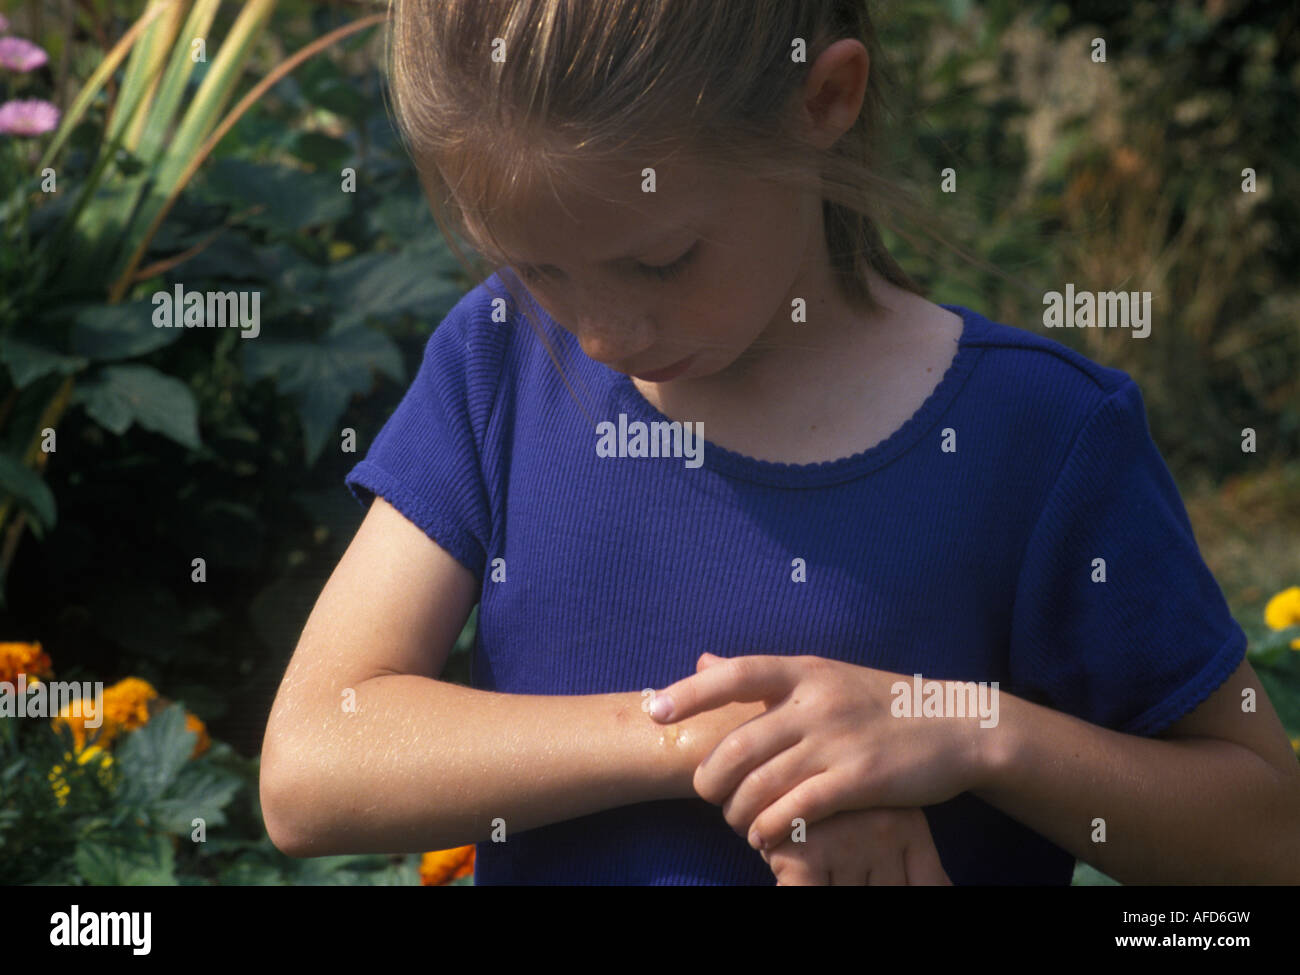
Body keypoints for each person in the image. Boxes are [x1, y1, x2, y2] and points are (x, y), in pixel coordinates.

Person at [259, 0, 1300, 885]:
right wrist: (724, 743)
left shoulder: (1040, 435)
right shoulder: (499, 361)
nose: (605, 337)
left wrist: (975, 732)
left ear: (824, 103)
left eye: (662, 261)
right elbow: (313, 766)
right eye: (539, 270)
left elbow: (1266, 832)